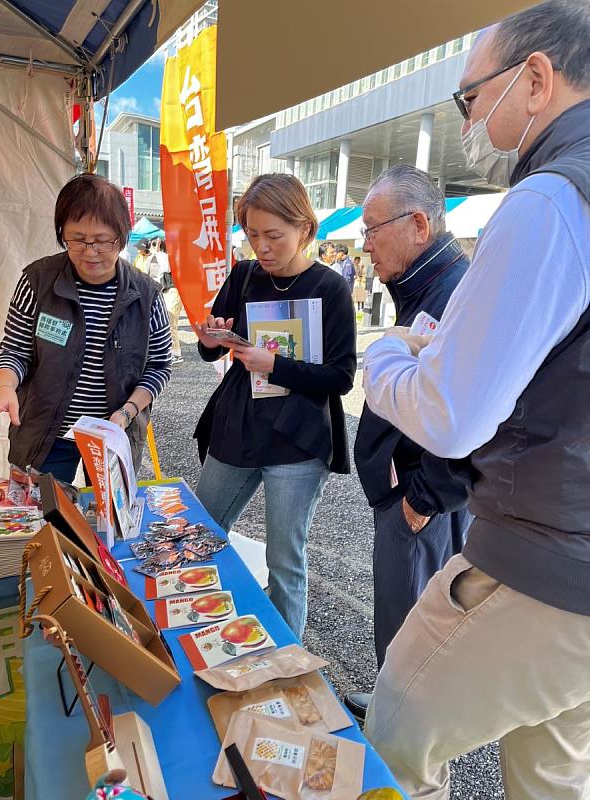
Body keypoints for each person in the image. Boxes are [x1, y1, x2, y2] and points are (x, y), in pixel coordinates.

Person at [362, 2, 590, 797]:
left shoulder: (547, 202)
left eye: (470, 96)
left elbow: (454, 414)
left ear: (534, 79)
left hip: (544, 555)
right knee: (552, 770)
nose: (467, 119)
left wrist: (387, 356)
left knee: (395, 730)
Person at [192, 174, 356, 639]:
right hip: (238, 427)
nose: (261, 247)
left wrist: (275, 365)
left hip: (297, 439)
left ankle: (287, 664)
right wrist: (211, 337)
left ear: (305, 229)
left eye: (273, 236)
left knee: (284, 560)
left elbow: (341, 377)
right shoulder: (244, 276)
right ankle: (203, 632)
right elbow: (211, 348)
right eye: (252, 235)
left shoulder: (329, 288)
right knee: (201, 534)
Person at [344, 165, 472, 723]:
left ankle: (404, 729)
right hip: (412, 488)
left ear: (419, 223)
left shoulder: (456, 293)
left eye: (373, 228)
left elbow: (472, 408)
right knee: (411, 614)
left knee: (412, 619)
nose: (364, 243)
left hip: (419, 493)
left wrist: (426, 496)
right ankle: (401, 711)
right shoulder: (428, 284)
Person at [0, 173, 172, 483]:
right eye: (77, 239)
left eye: (102, 241)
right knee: (41, 522)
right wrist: (4, 386)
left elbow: (159, 367)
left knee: (107, 526)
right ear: (62, 233)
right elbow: (15, 349)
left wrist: (126, 413)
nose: (90, 252)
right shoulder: (38, 281)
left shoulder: (147, 295)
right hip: (44, 435)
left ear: (122, 235)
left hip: (112, 436)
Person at [154, 240, 184, 366]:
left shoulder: (173, 257)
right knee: (168, 322)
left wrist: (157, 252)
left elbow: (167, 267)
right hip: (168, 290)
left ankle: (176, 354)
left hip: (174, 290)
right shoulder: (170, 256)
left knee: (171, 322)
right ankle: (171, 352)